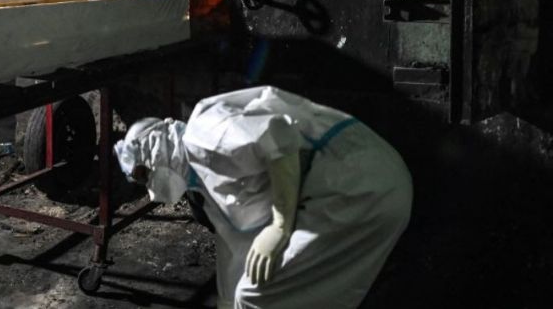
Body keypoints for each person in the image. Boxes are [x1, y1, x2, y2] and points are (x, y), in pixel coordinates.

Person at [115, 86, 413, 308]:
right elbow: (235, 251)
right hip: (367, 188)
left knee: (258, 297)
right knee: (270, 296)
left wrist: (279, 227)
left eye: (145, 174)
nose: (151, 189)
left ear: (156, 147)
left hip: (358, 181)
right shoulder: (204, 182)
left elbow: (277, 135)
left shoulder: (201, 134)